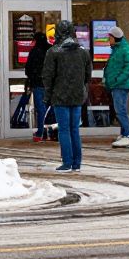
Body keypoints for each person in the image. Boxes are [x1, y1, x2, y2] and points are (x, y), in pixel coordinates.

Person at [42, 20, 92, 173]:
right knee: (74, 130)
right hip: (77, 96)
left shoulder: (53, 52)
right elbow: (87, 76)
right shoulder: (83, 52)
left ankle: (67, 162)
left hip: (60, 96)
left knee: (64, 130)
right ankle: (76, 163)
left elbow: (48, 76)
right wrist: (80, 88)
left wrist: (47, 96)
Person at [102, 25, 129, 148]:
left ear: (115, 38)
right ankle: (124, 134)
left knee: (120, 110)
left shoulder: (124, 50)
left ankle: (127, 135)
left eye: (109, 37)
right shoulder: (117, 49)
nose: (108, 40)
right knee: (119, 110)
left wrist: (117, 80)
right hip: (116, 85)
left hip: (120, 85)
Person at [25, 32, 50, 142]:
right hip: (50, 84)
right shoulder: (51, 50)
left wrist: (31, 79)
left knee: (41, 109)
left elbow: (28, 69)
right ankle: (54, 131)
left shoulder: (34, 52)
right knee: (52, 109)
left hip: (38, 84)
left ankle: (40, 132)